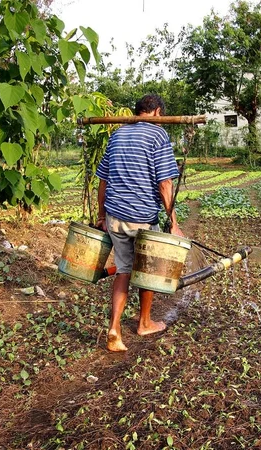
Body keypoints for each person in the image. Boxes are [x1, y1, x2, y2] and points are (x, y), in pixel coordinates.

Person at [95, 94, 184, 352]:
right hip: (142, 218)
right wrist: (173, 222)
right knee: (148, 271)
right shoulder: (158, 136)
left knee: (123, 270)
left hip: (115, 217)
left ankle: (115, 328)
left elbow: (103, 180)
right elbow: (165, 184)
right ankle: (144, 322)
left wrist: (101, 216)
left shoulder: (117, 135)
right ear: (157, 112)